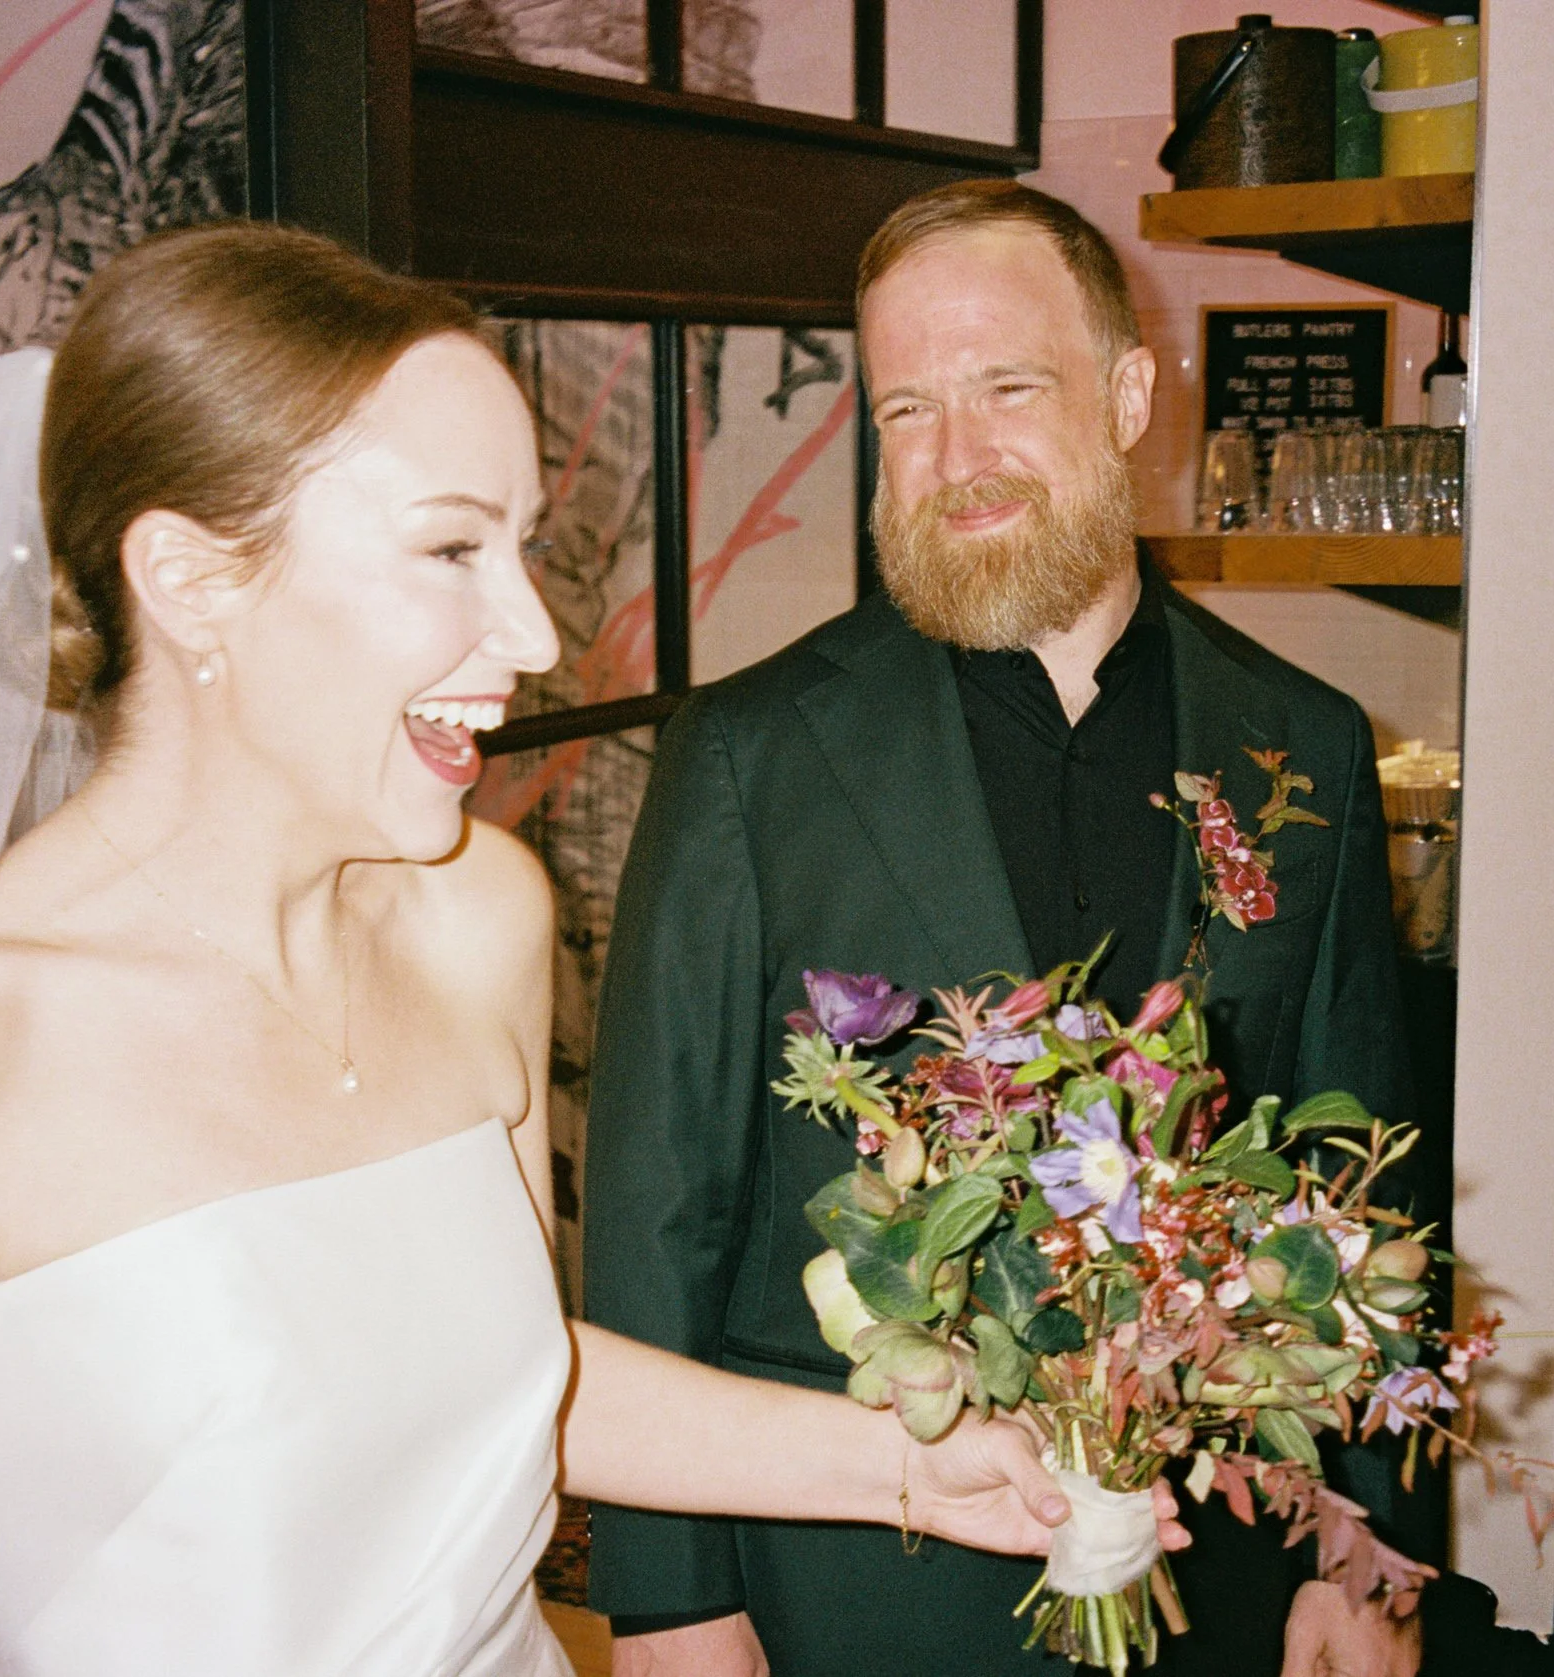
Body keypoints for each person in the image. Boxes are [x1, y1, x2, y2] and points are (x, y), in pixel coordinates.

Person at [0, 223, 1192, 1677]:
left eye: (520, 544)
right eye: (450, 551)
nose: (536, 635)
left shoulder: (476, 916)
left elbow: (493, 1370)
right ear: (194, 580)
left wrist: (908, 1462)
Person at [584, 181, 1428, 1677]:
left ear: (1125, 393)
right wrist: (667, 1608)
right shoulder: (745, 754)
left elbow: (1345, 1168)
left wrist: (1356, 1544)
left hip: (1214, 1569)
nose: (956, 458)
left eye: (1006, 388)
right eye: (907, 410)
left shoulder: (1304, 742)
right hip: (854, 1586)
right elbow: (656, 1219)